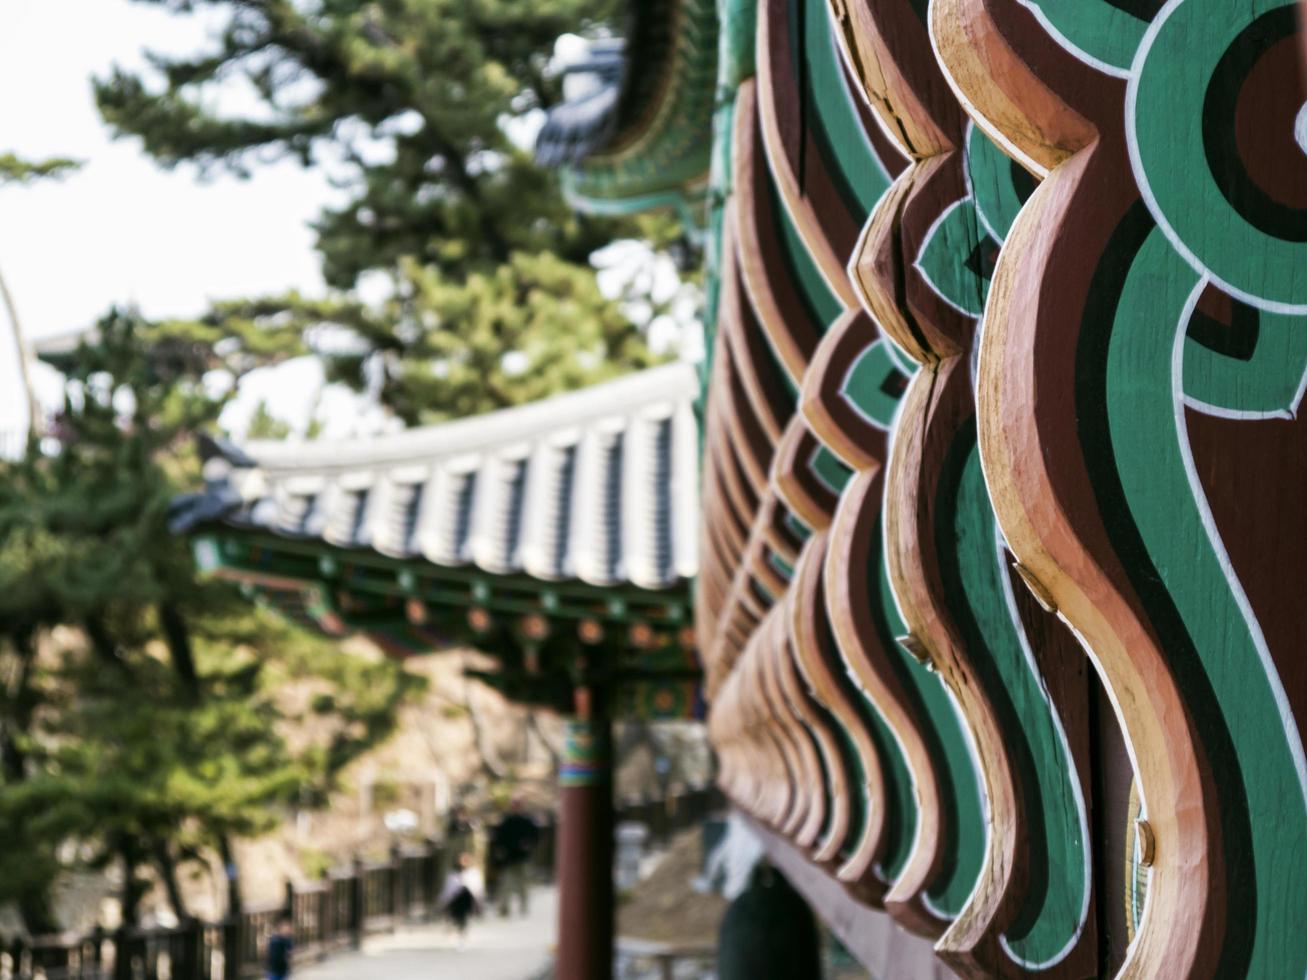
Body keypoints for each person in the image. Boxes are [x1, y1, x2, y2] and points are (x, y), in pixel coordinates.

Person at [489, 796, 539, 917]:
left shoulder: (527, 821)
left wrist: (529, 844)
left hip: (523, 858)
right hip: (509, 858)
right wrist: (500, 851)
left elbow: (535, 836)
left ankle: (524, 906)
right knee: (506, 883)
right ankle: (504, 908)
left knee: (523, 883)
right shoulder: (506, 821)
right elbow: (499, 838)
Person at [439, 852, 485, 948]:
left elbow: (478, 889)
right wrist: (442, 902)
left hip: (468, 901)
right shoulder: (453, 874)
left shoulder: (473, 873)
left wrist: (479, 904)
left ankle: (462, 935)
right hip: (456, 902)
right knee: (457, 918)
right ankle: (456, 930)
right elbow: (448, 890)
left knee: (463, 919)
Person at [266, 913, 294, 980]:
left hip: (283, 971)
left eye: (289, 928)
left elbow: (290, 953)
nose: (288, 930)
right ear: (280, 928)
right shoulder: (275, 941)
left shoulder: (287, 940)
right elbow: (273, 958)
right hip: (275, 971)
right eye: (286, 928)